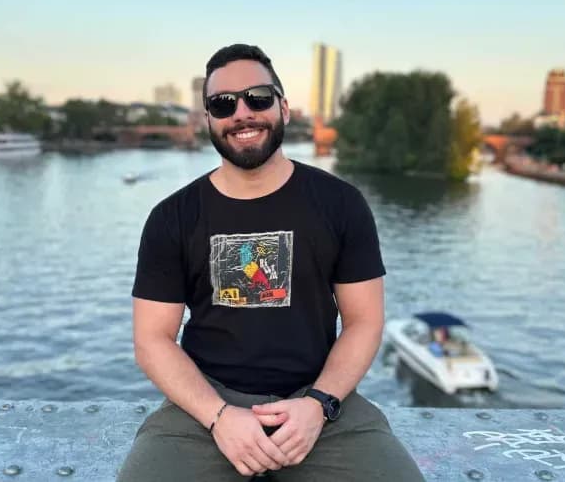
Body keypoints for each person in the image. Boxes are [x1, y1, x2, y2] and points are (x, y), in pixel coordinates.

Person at [117, 44, 424, 481]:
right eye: (223, 104)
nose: (242, 113)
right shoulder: (172, 217)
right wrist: (219, 416)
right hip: (205, 405)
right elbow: (152, 340)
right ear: (208, 119)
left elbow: (364, 322)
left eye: (257, 97)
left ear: (283, 106)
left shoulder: (341, 205)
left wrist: (319, 404)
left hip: (317, 400)